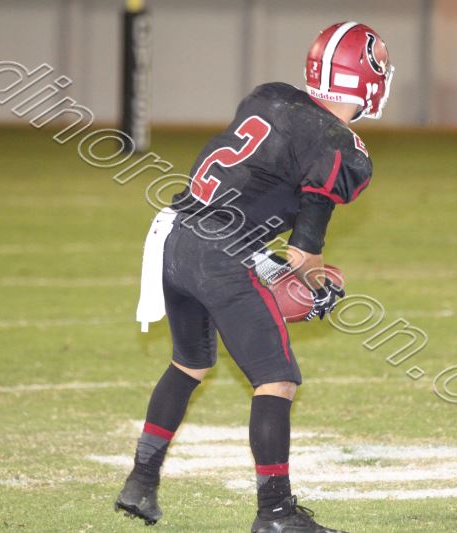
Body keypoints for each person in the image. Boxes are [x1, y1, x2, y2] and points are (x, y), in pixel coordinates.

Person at [115, 22, 394, 532]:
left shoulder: (271, 97)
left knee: (189, 364)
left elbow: (244, 202)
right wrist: (319, 288)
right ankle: (276, 513)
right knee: (276, 380)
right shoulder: (340, 146)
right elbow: (303, 252)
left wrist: (269, 267)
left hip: (176, 237)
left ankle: (140, 482)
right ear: (369, 80)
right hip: (221, 254)